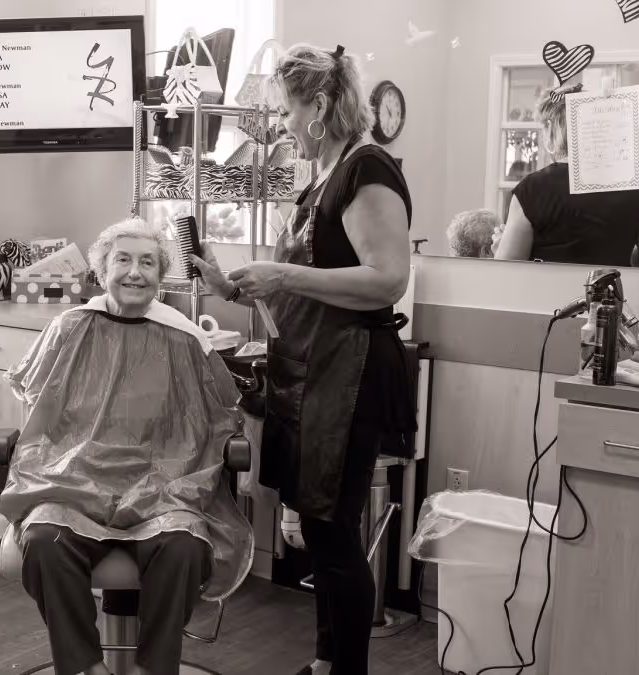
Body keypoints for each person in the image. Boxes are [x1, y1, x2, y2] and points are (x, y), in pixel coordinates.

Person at [190, 43, 416, 675]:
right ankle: (324, 662)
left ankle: (346, 670)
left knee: (335, 531)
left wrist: (283, 275)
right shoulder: (322, 177)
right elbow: (310, 278)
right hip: (310, 370)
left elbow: (386, 279)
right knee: (317, 528)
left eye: (288, 112)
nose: (284, 127)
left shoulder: (366, 170)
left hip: (349, 374)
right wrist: (231, 287)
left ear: (318, 105)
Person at [0, 218, 253, 675]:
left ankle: (154, 667)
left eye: (147, 262)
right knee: (45, 542)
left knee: (183, 548)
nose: (135, 272)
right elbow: (38, 412)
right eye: (122, 260)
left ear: (160, 273)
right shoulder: (69, 328)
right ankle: (84, 666)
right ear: (101, 270)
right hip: (72, 479)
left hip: (165, 487)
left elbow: (217, 416)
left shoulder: (187, 339)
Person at [495, 82, 639, 265]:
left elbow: (507, 269)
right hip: (614, 291)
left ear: (550, 129)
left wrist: (502, 245)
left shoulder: (532, 188)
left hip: (546, 292)